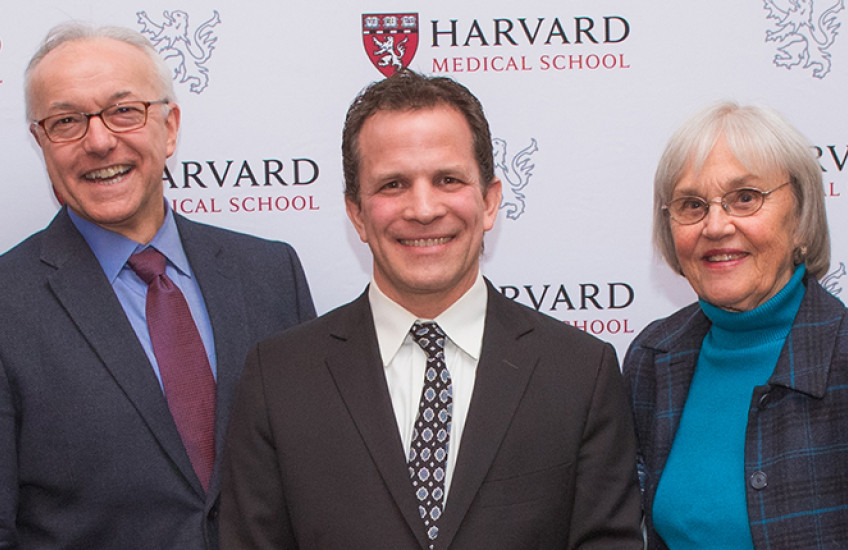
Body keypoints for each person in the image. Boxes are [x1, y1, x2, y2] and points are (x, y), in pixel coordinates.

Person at [220, 70, 642, 549]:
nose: (423, 209)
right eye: (393, 184)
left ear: (489, 201)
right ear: (357, 213)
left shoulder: (579, 372)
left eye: (447, 179)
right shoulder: (278, 378)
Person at [0, 22, 315, 550]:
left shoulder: (269, 272)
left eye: (124, 111)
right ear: (41, 143)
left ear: (169, 128)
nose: (99, 141)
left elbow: (314, 476)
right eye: (66, 121)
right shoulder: (8, 304)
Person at [623, 101, 848, 549]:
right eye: (692, 205)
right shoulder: (653, 357)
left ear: (801, 218)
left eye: (745, 198)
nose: (716, 225)